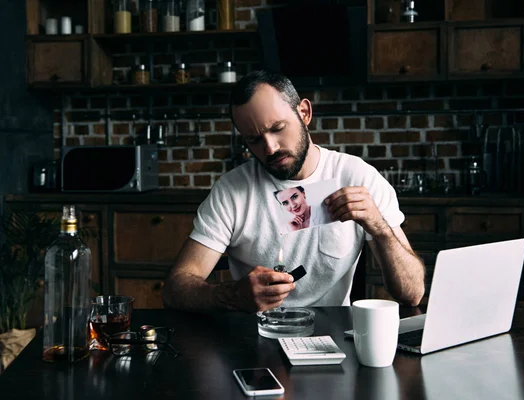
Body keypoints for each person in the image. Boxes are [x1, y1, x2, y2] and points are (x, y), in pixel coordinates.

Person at [163, 70, 425, 313]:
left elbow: (412, 294)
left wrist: (378, 227)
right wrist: (233, 295)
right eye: (254, 140)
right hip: (257, 334)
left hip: (332, 334)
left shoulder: (357, 177)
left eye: (277, 128)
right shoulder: (231, 191)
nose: (270, 148)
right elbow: (175, 290)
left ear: (304, 113)